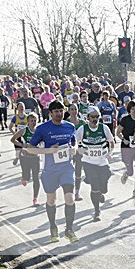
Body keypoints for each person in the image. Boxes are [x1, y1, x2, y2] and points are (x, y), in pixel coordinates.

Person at [24, 101, 79, 243]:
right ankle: (53, 227)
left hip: (66, 168)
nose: (59, 114)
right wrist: (48, 150)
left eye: (61, 111)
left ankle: (69, 230)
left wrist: (74, 148)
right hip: (50, 171)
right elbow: (30, 148)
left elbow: (74, 142)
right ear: (50, 113)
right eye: (56, 112)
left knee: (69, 198)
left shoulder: (70, 126)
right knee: (51, 200)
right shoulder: (43, 128)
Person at [76, 108, 115, 221]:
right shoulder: (83, 129)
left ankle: (101, 192)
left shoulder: (104, 128)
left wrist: (110, 153)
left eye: (97, 117)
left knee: (103, 187)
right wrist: (79, 149)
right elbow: (74, 141)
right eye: (92, 117)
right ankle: (97, 211)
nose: (95, 119)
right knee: (94, 186)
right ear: (87, 118)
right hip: (88, 162)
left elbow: (111, 142)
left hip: (102, 161)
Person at [11, 113, 41, 206]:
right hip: (25, 157)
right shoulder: (24, 131)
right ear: (27, 121)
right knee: (27, 176)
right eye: (31, 121)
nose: (33, 122)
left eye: (35, 120)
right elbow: (13, 139)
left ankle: (35, 198)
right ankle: (24, 177)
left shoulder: (39, 131)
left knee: (36, 178)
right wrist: (22, 145)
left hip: (35, 157)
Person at [117, 99, 135, 195]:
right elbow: (118, 132)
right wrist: (123, 139)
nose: (134, 110)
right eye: (133, 109)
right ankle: (127, 173)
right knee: (131, 171)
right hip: (127, 146)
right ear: (129, 110)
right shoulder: (125, 119)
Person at [66, 103, 87, 201]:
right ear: (68, 111)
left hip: (80, 150)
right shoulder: (65, 123)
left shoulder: (83, 122)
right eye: (72, 109)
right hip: (68, 150)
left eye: (75, 109)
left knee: (78, 172)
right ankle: (68, 192)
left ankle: (77, 193)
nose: (74, 111)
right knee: (69, 172)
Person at [9, 102, 29, 166]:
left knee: (26, 149)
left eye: (22, 106)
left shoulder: (27, 117)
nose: (21, 108)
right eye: (20, 107)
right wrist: (14, 134)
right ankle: (17, 157)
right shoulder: (15, 117)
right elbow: (10, 127)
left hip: (25, 136)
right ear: (17, 108)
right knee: (18, 150)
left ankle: (25, 161)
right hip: (18, 137)